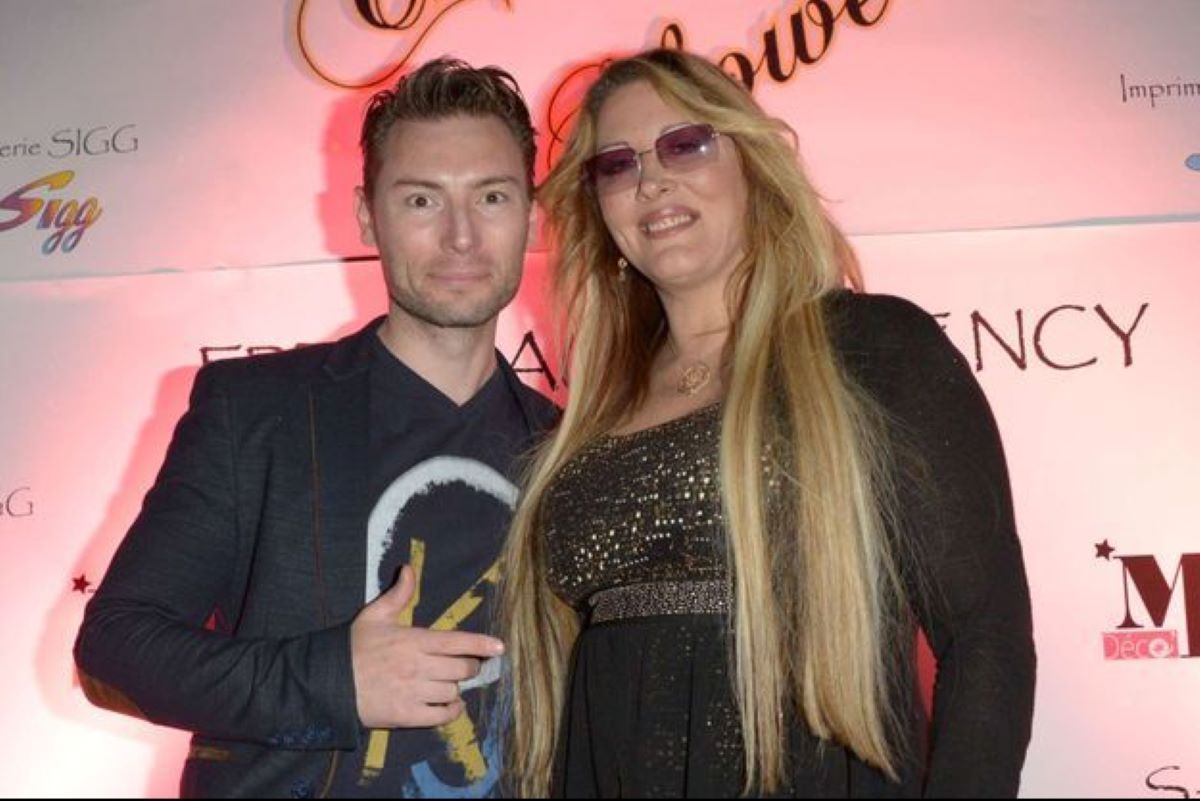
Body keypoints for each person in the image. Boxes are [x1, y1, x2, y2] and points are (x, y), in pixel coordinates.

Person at [500, 49, 1036, 798]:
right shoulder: (591, 413)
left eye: (685, 144)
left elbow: (985, 634)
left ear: (751, 164)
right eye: (617, 165)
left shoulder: (872, 349)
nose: (651, 180)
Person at [74, 58, 557, 798]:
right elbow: (115, 648)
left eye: (491, 196)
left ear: (532, 212)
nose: (461, 236)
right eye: (421, 199)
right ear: (367, 215)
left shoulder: (566, 446)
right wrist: (336, 680)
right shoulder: (256, 413)